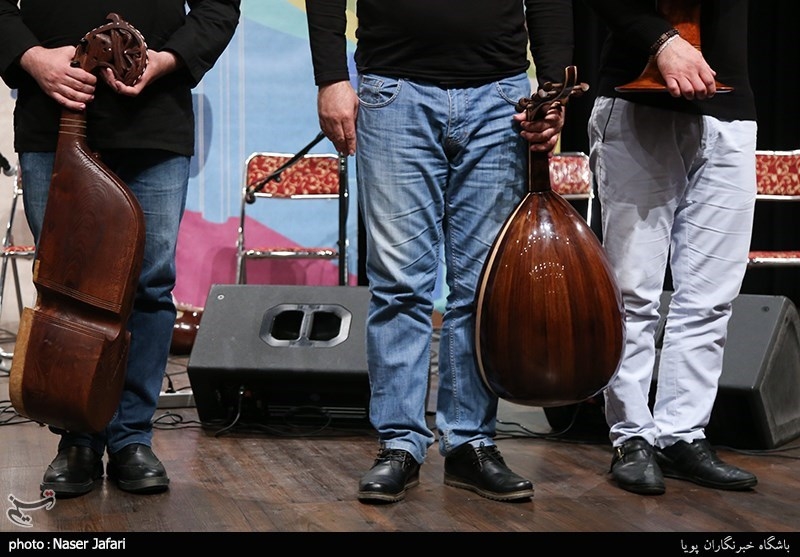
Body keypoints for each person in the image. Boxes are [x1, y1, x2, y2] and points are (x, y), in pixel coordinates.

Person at [305, 0, 574, 503]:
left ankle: (470, 441)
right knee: (399, 284)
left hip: (501, 97)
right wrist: (330, 77)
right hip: (394, 90)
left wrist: (554, 88)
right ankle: (399, 443)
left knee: (480, 287)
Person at [0, 0, 240, 497]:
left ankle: (132, 437)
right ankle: (77, 440)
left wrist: (167, 60)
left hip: (154, 119)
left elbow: (219, 7)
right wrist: (30, 57)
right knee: (66, 288)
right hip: (53, 117)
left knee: (150, 284)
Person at [584, 0, 759, 495]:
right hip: (638, 100)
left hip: (730, 111)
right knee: (633, 290)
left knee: (710, 296)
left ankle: (682, 433)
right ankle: (631, 436)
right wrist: (662, 41)